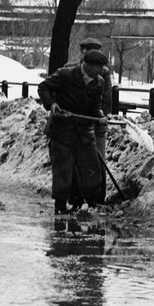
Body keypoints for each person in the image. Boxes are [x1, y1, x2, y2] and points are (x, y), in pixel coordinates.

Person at [39, 49, 110, 215]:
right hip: (61, 130)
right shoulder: (66, 75)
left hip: (84, 132)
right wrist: (52, 104)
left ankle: (91, 204)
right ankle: (61, 206)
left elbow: (95, 107)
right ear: (88, 65)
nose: (102, 71)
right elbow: (44, 87)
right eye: (99, 67)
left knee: (92, 167)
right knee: (63, 169)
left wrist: (99, 116)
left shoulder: (98, 82)